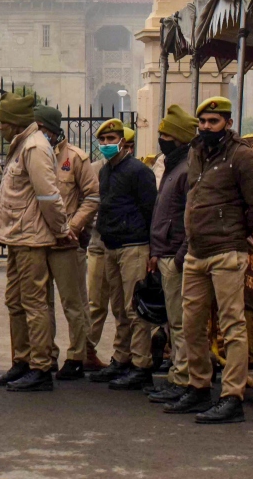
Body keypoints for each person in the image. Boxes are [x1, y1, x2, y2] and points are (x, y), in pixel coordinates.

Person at [164, 96, 253, 424]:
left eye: (213, 121)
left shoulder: (242, 156)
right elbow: (193, 198)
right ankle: (199, 387)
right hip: (197, 252)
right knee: (192, 324)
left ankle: (232, 396)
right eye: (203, 122)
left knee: (231, 325)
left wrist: (240, 231)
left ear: (228, 123)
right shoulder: (196, 152)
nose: (207, 127)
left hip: (227, 251)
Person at [0, 93, 69, 392]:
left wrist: (61, 229)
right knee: (15, 301)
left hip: (31, 236)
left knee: (34, 303)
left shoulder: (35, 147)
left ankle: (40, 366)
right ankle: (21, 360)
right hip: (17, 235)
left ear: (16, 122)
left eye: (3, 122)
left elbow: (48, 195)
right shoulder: (23, 145)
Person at [88, 119, 158, 391]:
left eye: (112, 139)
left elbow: (151, 210)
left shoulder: (139, 171)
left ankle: (141, 365)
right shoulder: (106, 172)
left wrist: (153, 249)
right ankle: (121, 357)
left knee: (135, 308)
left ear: (124, 142)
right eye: (103, 140)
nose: (106, 145)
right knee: (118, 308)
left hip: (134, 246)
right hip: (111, 246)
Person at [32, 105, 99, 381]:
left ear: (51, 130)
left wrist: (73, 226)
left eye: (39, 129)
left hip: (66, 243)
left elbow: (93, 197)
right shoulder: (32, 155)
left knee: (74, 302)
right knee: (42, 303)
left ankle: (77, 355)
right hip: (36, 241)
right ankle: (47, 354)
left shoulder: (75, 159)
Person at [144, 105, 198, 405]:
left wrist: (178, 256)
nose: (161, 138)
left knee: (180, 323)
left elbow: (190, 220)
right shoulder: (171, 166)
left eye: (165, 134)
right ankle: (178, 377)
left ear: (179, 138)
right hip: (165, 253)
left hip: (176, 257)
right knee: (173, 322)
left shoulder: (187, 170)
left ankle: (182, 379)